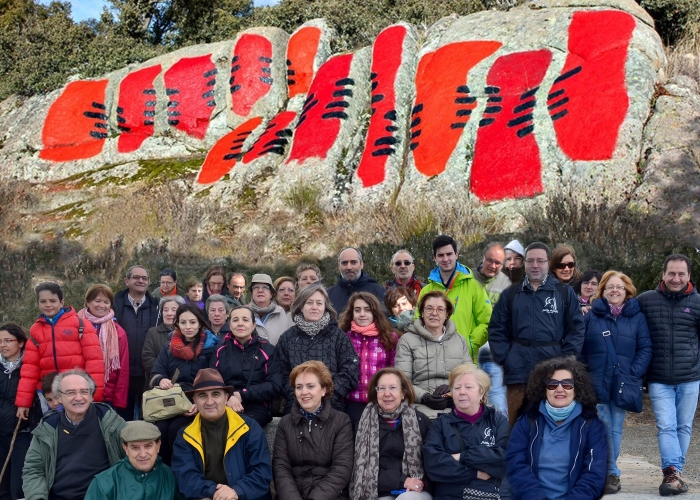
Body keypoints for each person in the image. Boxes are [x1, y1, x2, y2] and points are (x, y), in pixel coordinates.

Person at [488, 242, 585, 426]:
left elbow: (577, 329)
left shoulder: (563, 293)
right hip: (517, 369)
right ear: (524, 263)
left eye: (540, 261)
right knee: (516, 425)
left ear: (548, 263)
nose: (535, 265)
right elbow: (496, 328)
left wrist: (566, 360)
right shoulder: (511, 294)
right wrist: (505, 357)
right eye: (531, 261)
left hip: (552, 369)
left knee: (551, 424)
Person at [582, 271, 652, 495]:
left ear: (627, 291)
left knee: (616, 428)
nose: (615, 290)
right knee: (603, 426)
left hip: (623, 383)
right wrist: (585, 373)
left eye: (619, 287)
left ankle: (608, 472)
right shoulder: (591, 316)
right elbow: (580, 349)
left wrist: (633, 372)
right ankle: (608, 472)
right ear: (602, 290)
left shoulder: (637, 317)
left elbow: (645, 348)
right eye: (610, 286)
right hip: (597, 381)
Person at [637, 253, 700, 495]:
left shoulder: (697, 302)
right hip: (659, 378)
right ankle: (671, 473)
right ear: (663, 274)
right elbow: (620, 310)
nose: (676, 278)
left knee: (684, 427)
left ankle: (675, 476)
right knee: (666, 426)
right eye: (671, 273)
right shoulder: (646, 300)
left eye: (681, 274)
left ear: (688, 276)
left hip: (690, 378)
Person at [505, 357, 607, 500]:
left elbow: (595, 473)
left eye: (567, 384)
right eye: (552, 384)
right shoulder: (527, 421)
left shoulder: (592, 425)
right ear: (544, 389)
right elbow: (515, 465)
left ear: (577, 389)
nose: (560, 389)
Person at [22, 370, 127, 500]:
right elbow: (34, 470)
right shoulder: (48, 428)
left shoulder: (110, 422)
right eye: (71, 392)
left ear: (91, 396)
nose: (78, 397)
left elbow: (131, 461)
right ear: (59, 397)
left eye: (84, 392)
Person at [171, 368, 272, 500]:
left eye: (216, 394)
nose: (209, 402)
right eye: (202, 395)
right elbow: (186, 476)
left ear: (226, 398)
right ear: (194, 400)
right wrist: (213, 492)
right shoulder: (185, 435)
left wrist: (236, 491)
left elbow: (262, 471)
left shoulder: (249, 427)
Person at [16, 282, 105, 419]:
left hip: (75, 390)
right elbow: (30, 369)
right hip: (48, 393)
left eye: (52, 300)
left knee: (77, 427)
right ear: (38, 303)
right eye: (43, 301)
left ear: (61, 302)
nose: (48, 305)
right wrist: (23, 402)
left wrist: (95, 394)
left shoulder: (80, 325)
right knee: (52, 429)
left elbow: (94, 363)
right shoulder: (36, 330)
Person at [423, 364, 510, 500]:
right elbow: (434, 464)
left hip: (494, 493)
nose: (462, 392)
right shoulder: (440, 424)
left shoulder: (498, 421)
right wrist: (474, 473)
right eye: (457, 388)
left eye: (468, 387)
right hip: (453, 495)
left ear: (481, 392)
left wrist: (461, 457)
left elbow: (504, 458)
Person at [273, 361, 354, 500]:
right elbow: (281, 469)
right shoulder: (285, 424)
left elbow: (342, 469)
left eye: (310, 386)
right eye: (299, 387)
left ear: (324, 389)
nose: (304, 392)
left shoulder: (341, 421)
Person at [150, 304, 219, 465]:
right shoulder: (168, 348)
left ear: (200, 323)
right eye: (183, 322)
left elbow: (214, 379)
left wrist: (199, 402)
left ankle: (182, 468)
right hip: (172, 401)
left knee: (177, 430)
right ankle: (164, 470)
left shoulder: (211, 347)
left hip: (198, 401)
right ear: (177, 324)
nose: (188, 327)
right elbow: (155, 374)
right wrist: (161, 379)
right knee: (159, 429)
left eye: (193, 322)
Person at [350, 367, 432, 500]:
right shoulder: (362, 424)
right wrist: (400, 481)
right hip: (377, 491)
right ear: (375, 393)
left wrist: (420, 483)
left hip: (415, 490)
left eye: (393, 387)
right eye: (381, 388)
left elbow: (431, 460)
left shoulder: (421, 421)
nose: (386, 394)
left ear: (403, 392)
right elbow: (360, 470)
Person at [276, 284, 359, 413]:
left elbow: (350, 371)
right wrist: (299, 395)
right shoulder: (287, 338)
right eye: (309, 303)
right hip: (296, 404)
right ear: (301, 306)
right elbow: (280, 373)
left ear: (325, 307)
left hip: (332, 404)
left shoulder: (338, 336)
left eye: (319, 303)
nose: (315, 307)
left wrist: (327, 394)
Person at [395, 291, 471, 418]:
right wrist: (425, 397)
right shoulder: (407, 340)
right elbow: (402, 381)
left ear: (447, 314)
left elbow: (470, 376)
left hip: (456, 402)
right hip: (420, 404)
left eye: (440, 309)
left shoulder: (459, 340)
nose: (434, 313)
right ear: (422, 312)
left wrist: (453, 392)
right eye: (429, 308)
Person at [417, 235, 492, 360]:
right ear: (434, 258)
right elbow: (418, 322)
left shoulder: (474, 287)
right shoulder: (426, 291)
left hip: (465, 359)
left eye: (449, 254)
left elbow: (487, 322)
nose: (445, 259)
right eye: (441, 255)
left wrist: (469, 344)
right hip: (433, 359)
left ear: (456, 255)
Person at [211, 305, 282, 427]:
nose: (240, 324)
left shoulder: (267, 350)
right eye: (235, 320)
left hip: (257, 407)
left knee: (242, 427)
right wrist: (228, 397)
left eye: (245, 320)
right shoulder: (220, 350)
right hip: (224, 403)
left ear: (254, 325)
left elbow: (275, 385)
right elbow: (211, 381)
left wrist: (242, 394)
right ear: (230, 325)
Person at [338, 292, 398, 426]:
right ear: (352, 313)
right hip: (353, 400)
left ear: (375, 312)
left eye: (367, 310)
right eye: (357, 310)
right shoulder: (344, 337)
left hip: (381, 398)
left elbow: (394, 369)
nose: (362, 314)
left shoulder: (389, 338)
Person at [84, 421, 184, 500]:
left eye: (148, 446)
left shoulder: (171, 476)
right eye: (135, 448)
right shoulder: (104, 482)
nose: (143, 454)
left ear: (158, 446)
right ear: (125, 449)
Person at [0, 323, 40, 500]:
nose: (3, 345)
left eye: (8, 340)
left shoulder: (30, 367)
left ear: (21, 343)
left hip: (22, 433)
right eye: (0, 341)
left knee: (18, 485)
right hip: (0, 433)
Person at [79, 284, 130, 420]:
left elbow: (123, 370)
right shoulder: (75, 327)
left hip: (107, 396)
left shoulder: (118, 332)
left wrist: (119, 401)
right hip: (78, 394)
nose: (102, 305)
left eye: (106, 302)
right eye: (97, 301)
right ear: (88, 302)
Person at [114, 265, 159, 420]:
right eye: (136, 277)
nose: (141, 281)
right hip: (121, 372)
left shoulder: (158, 306)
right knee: (121, 419)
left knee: (148, 418)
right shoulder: (115, 305)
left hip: (147, 374)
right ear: (127, 281)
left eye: (144, 278)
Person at [474, 242, 512, 417]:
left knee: (497, 399)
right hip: (471, 348)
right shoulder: (469, 278)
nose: (493, 266)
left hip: (493, 350)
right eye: (490, 260)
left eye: (498, 263)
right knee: (473, 397)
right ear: (483, 258)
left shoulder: (505, 283)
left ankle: (501, 438)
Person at [327, 247, 386, 314]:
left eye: (353, 262)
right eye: (344, 263)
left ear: (361, 264)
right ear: (339, 266)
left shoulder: (378, 291)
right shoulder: (328, 295)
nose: (349, 267)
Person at [143, 296, 184, 384]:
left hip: (182, 383)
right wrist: (162, 377)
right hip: (158, 383)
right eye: (165, 310)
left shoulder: (187, 333)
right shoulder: (153, 332)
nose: (169, 313)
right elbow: (147, 358)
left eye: (174, 310)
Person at [249, 273, 294, 345]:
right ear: (252, 293)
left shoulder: (281, 312)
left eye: (265, 287)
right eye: (256, 287)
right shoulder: (244, 312)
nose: (260, 290)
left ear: (271, 294)